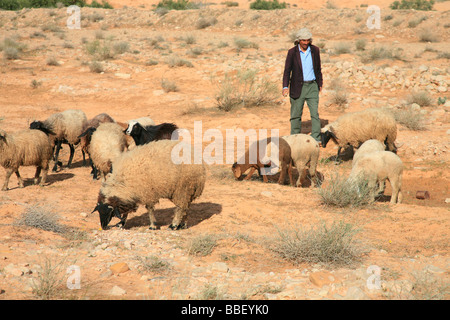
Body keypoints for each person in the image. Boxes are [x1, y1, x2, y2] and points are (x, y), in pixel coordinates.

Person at [282, 28, 323, 144]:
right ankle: (295, 138)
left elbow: (318, 68)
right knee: (295, 114)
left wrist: (320, 84)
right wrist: (285, 86)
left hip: (312, 86)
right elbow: (287, 71)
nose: (305, 43)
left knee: (314, 113)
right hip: (297, 87)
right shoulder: (292, 52)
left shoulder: (315, 50)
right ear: (298, 40)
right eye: (303, 40)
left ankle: (316, 138)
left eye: (308, 40)